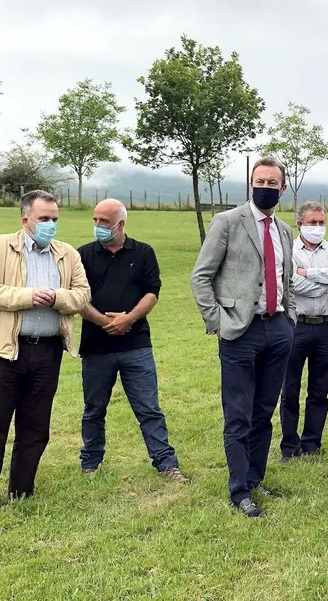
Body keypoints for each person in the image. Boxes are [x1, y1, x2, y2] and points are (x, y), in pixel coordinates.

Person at [0, 190, 91, 517]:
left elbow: (82, 295)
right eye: (44, 219)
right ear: (26, 220)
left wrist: (57, 298)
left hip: (47, 352)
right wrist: (29, 296)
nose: (50, 225)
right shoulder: (0, 246)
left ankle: (22, 491)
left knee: (35, 428)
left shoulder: (67, 255)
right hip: (2, 351)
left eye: (55, 220)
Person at [190, 157, 297, 517]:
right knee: (238, 413)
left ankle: (255, 478)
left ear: (283, 189)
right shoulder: (227, 222)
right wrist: (217, 322)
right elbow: (201, 277)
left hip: (278, 329)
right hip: (239, 331)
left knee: (264, 412)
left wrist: (290, 316)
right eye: (259, 180)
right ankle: (239, 491)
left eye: (272, 182)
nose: (264, 187)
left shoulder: (284, 230)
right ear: (250, 184)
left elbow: (286, 280)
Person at [76, 198, 189, 484]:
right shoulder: (82, 255)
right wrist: (106, 322)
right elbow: (76, 298)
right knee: (94, 409)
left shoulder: (143, 253)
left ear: (120, 224)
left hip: (136, 345)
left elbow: (152, 291)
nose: (98, 226)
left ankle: (166, 464)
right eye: (95, 220)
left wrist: (128, 319)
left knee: (148, 408)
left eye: (104, 221)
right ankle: (90, 463)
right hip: (95, 347)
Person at [279, 202, 328, 462]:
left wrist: (309, 274)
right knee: (289, 391)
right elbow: (291, 283)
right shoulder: (289, 250)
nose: (317, 227)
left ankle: (311, 443)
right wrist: (324, 281)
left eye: (321, 222)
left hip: (326, 327)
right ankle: (289, 446)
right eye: (312, 222)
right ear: (299, 223)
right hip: (295, 326)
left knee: (319, 390)